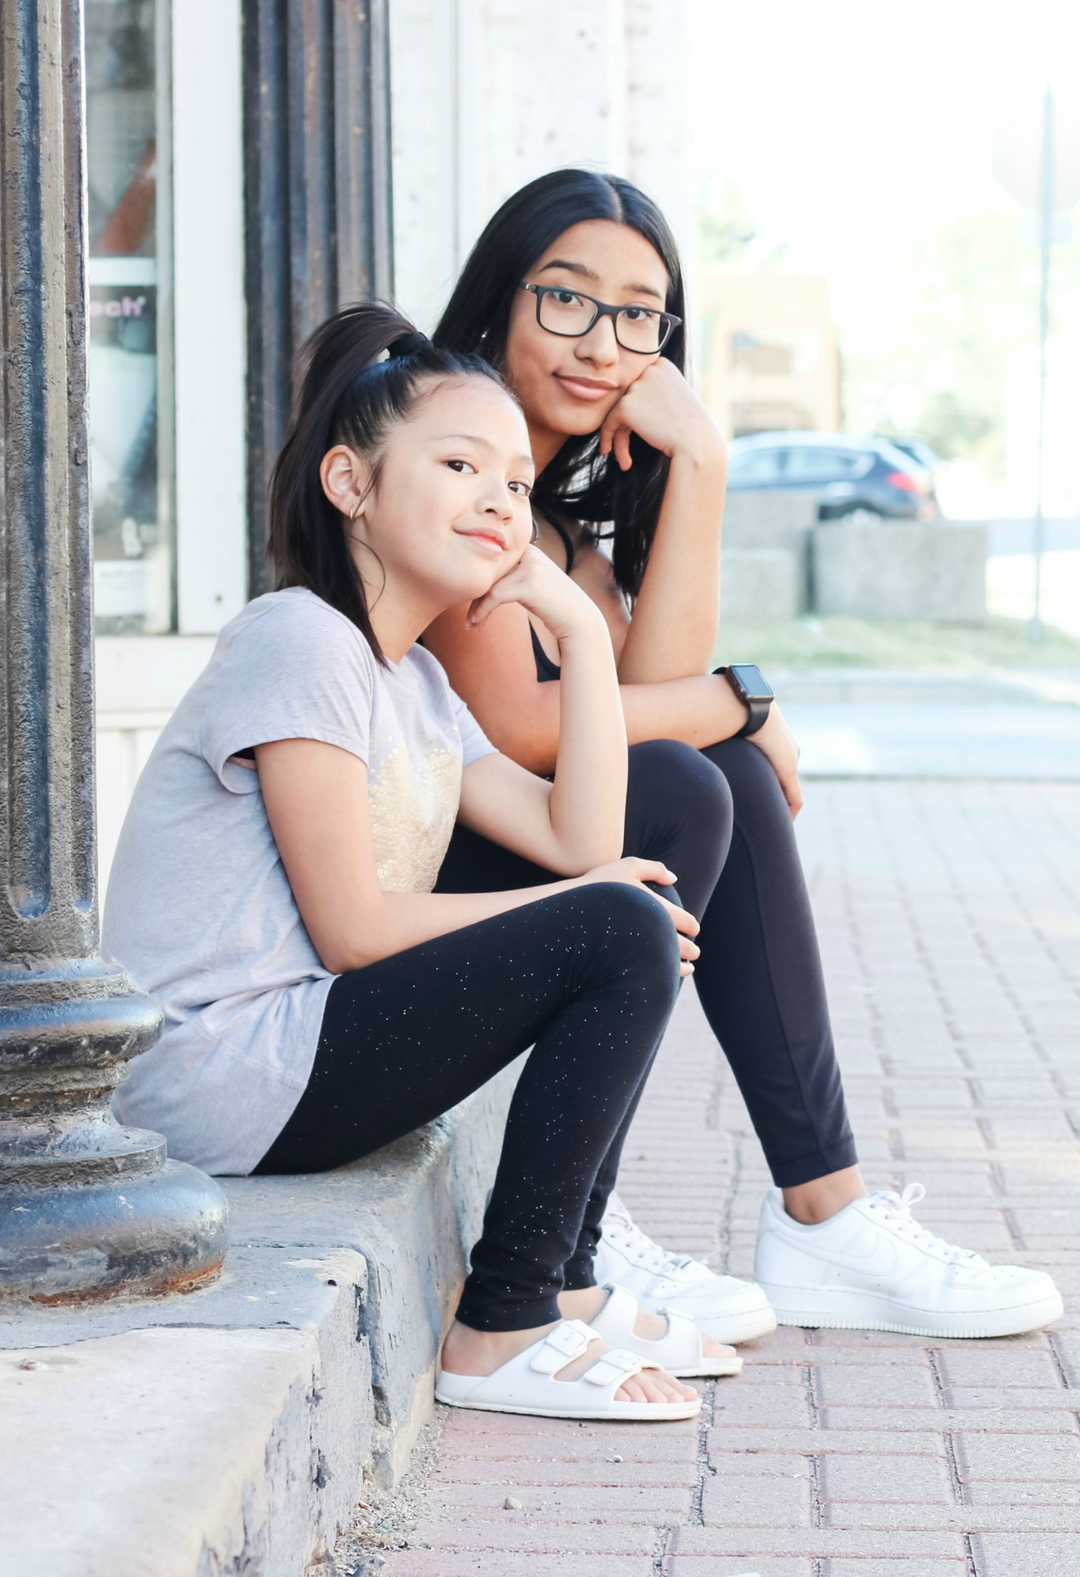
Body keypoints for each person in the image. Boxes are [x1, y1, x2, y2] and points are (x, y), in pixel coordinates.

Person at [426, 168, 1064, 1342]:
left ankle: (823, 1211)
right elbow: (528, 729)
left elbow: (648, 688)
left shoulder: (556, 522)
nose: (602, 342)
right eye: (565, 299)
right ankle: (615, 1220)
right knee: (683, 775)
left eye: (638, 316)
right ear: (497, 305)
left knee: (706, 770)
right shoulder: (446, 467)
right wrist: (742, 702)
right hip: (379, 906)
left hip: (504, 853)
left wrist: (705, 462)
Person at [101, 302, 747, 1422]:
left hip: (298, 1043)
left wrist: (583, 636)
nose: (500, 499)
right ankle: (504, 1323)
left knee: (649, 849)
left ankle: (568, 1275)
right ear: (350, 484)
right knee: (618, 922)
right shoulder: (298, 638)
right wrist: (587, 899)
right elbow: (354, 923)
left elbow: (581, 839)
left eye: (514, 481)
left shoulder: (416, 683)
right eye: (459, 464)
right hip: (220, 1073)